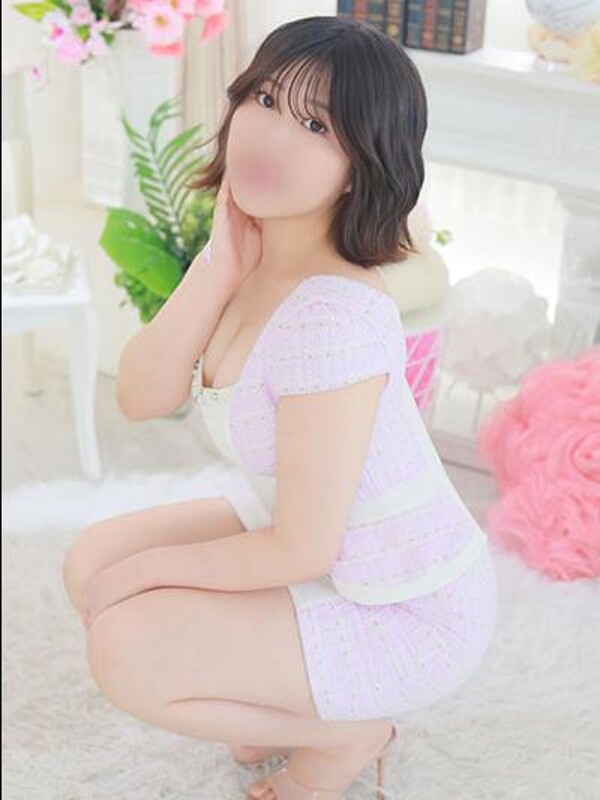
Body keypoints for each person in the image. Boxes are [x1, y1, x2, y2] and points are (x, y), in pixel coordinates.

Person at [63, 15, 498, 799]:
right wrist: (218, 264)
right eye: (265, 99)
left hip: (405, 604)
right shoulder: (255, 253)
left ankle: (347, 735)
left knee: (123, 644)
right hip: (318, 542)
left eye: (316, 125)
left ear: (362, 167)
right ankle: (284, 702)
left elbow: (303, 549)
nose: (271, 135)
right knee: (92, 562)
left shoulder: (332, 319)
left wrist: (150, 576)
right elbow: (141, 396)